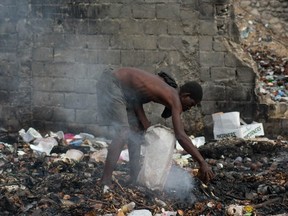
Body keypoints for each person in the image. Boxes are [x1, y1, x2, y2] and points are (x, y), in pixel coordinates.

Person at [96, 67, 214, 191]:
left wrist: (145, 124)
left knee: (135, 132)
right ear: (185, 95)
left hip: (123, 91)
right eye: (191, 104)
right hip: (113, 83)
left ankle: (134, 177)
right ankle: (105, 180)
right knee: (123, 132)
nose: (189, 108)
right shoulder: (175, 98)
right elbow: (180, 135)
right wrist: (202, 162)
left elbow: (136, 99)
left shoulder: (161, 89)